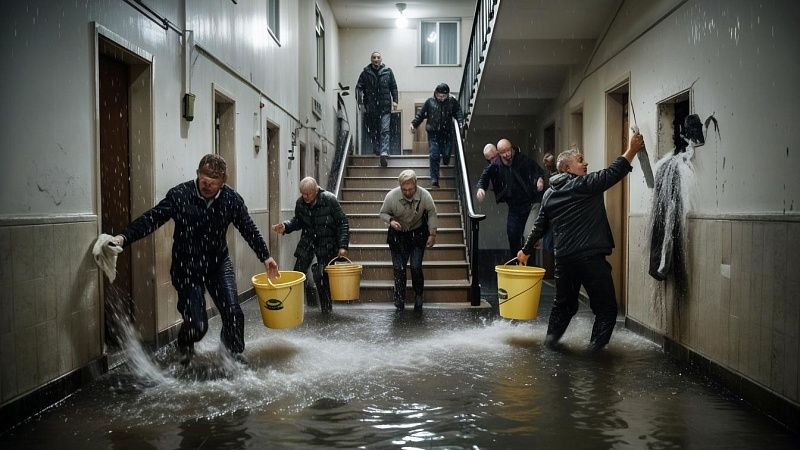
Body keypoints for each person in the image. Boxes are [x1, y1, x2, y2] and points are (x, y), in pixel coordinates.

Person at [112, 154, 279, 366]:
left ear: (222, 182)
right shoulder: (180, 194)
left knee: (233, 313)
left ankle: (232, 358)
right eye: (203, 180)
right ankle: (184, 347)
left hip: (218, 264)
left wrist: (266, 257)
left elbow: (248, 229)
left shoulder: (231, 200)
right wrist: (123, 237)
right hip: (186, 267)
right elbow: (152, 218)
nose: (207, 185)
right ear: (198, 174)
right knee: (198, 325)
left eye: (213, 182)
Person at [516, 133, 645, 353]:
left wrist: (525, 251)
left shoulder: (548, 193)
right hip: (590, 259)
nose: (585, 163)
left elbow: (540, 226)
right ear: (568, 168)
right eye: (580, 160)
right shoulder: (584, 185)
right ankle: (593, 353)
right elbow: (613, 173)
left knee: (564, 306)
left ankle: (549, 345)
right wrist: (631, 149)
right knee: (607, 309)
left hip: (564, 260)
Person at [271, 177, 349, 314]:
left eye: (308, 194)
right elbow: (298, 221)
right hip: (308, 241)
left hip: (327, 242)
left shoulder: (329, 199)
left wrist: (343, 245)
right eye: (303, 193)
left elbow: (343, 222)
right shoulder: (300, 203)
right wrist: (285, 226)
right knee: (297, 273)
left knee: (320, 275)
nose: (305, 197)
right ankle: (294, 306)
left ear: (316, 190)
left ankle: (326, 309)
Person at [379, 169, 438, 313]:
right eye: (404, 189)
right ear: (400, 186)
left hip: (418, 233)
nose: (407, 192)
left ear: (416, 185)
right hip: (398, 235)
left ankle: (419, 295)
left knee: (416, 267)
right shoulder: (391, 196)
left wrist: (432, 233)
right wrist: (391, 221)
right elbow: (383, 213)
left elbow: (432, 213)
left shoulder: (425, 195)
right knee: (399, 269)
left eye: (410, 189)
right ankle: (399, 299)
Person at [476, 139, 545, 255]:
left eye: (508, 150)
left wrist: (540, 179)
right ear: (499, 153)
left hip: (532, 202)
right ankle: (516, 263)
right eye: (503, 152)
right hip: (514, 207)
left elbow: (536, 170)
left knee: (529, 236)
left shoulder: (521, 159)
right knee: (512, 235)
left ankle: (531, 256)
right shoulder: (495, 165)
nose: (507, 154)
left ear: (512, 148)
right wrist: (481, 188)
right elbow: (485, 176)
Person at [409, 83, 464, 188]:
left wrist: (460, 123)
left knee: (447, 154)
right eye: (439, 95)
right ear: (436, 93)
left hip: (447, 133)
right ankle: (434, 179)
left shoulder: (452, 102)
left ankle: (446, 159)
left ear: (447, 95)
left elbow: (458, 113)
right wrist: (413, 124)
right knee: (434, 155)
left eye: (444, 96)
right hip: (433, 133)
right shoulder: (430, 102)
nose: (441, 98)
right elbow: (420, 115)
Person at [356, 51, 398, 167]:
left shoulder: (388, 72)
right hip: (371, 107)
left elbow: (393, 87)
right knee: (374, 130)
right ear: (371, 59)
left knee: (385, 130)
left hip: (384, 106)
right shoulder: (365, 73)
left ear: (381, 59)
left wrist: (395, 101)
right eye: (374, 57)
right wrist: (360, 101)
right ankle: (377, 148)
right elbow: (358, 87)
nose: (376, 59)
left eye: (378, 57)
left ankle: (384, 152)